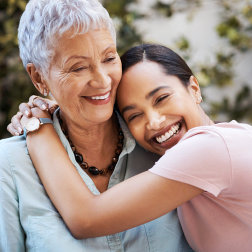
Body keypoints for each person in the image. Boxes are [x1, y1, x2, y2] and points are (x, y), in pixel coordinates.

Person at [9, 44, 252, 252]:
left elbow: (85, 219)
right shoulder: (204, 153)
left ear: (194, 89)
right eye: (134, 115)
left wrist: (38, 123)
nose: (155, 122)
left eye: (161, 98)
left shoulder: (210, 148)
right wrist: (66, 108)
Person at [0, 1, 192, 252]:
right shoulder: (10, 166)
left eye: (109, 58)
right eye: (78, 67)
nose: (103, 81)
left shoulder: (162, 140)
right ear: (38, 77)